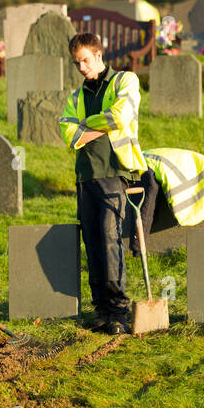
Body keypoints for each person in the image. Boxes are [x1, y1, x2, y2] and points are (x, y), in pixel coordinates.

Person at [59, 31, 148, 335]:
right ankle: (101, 309)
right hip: (85, 177)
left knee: (111, 242)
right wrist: (95, 125)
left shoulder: (125, 81)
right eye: (77, 63)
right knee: (93, 244)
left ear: (98, 55)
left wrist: (86, 125)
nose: (82, 67)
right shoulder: (75, 97)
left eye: (85, 60)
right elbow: (69, 136)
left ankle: (119, 310)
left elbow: (121, 116)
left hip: (115, 172)